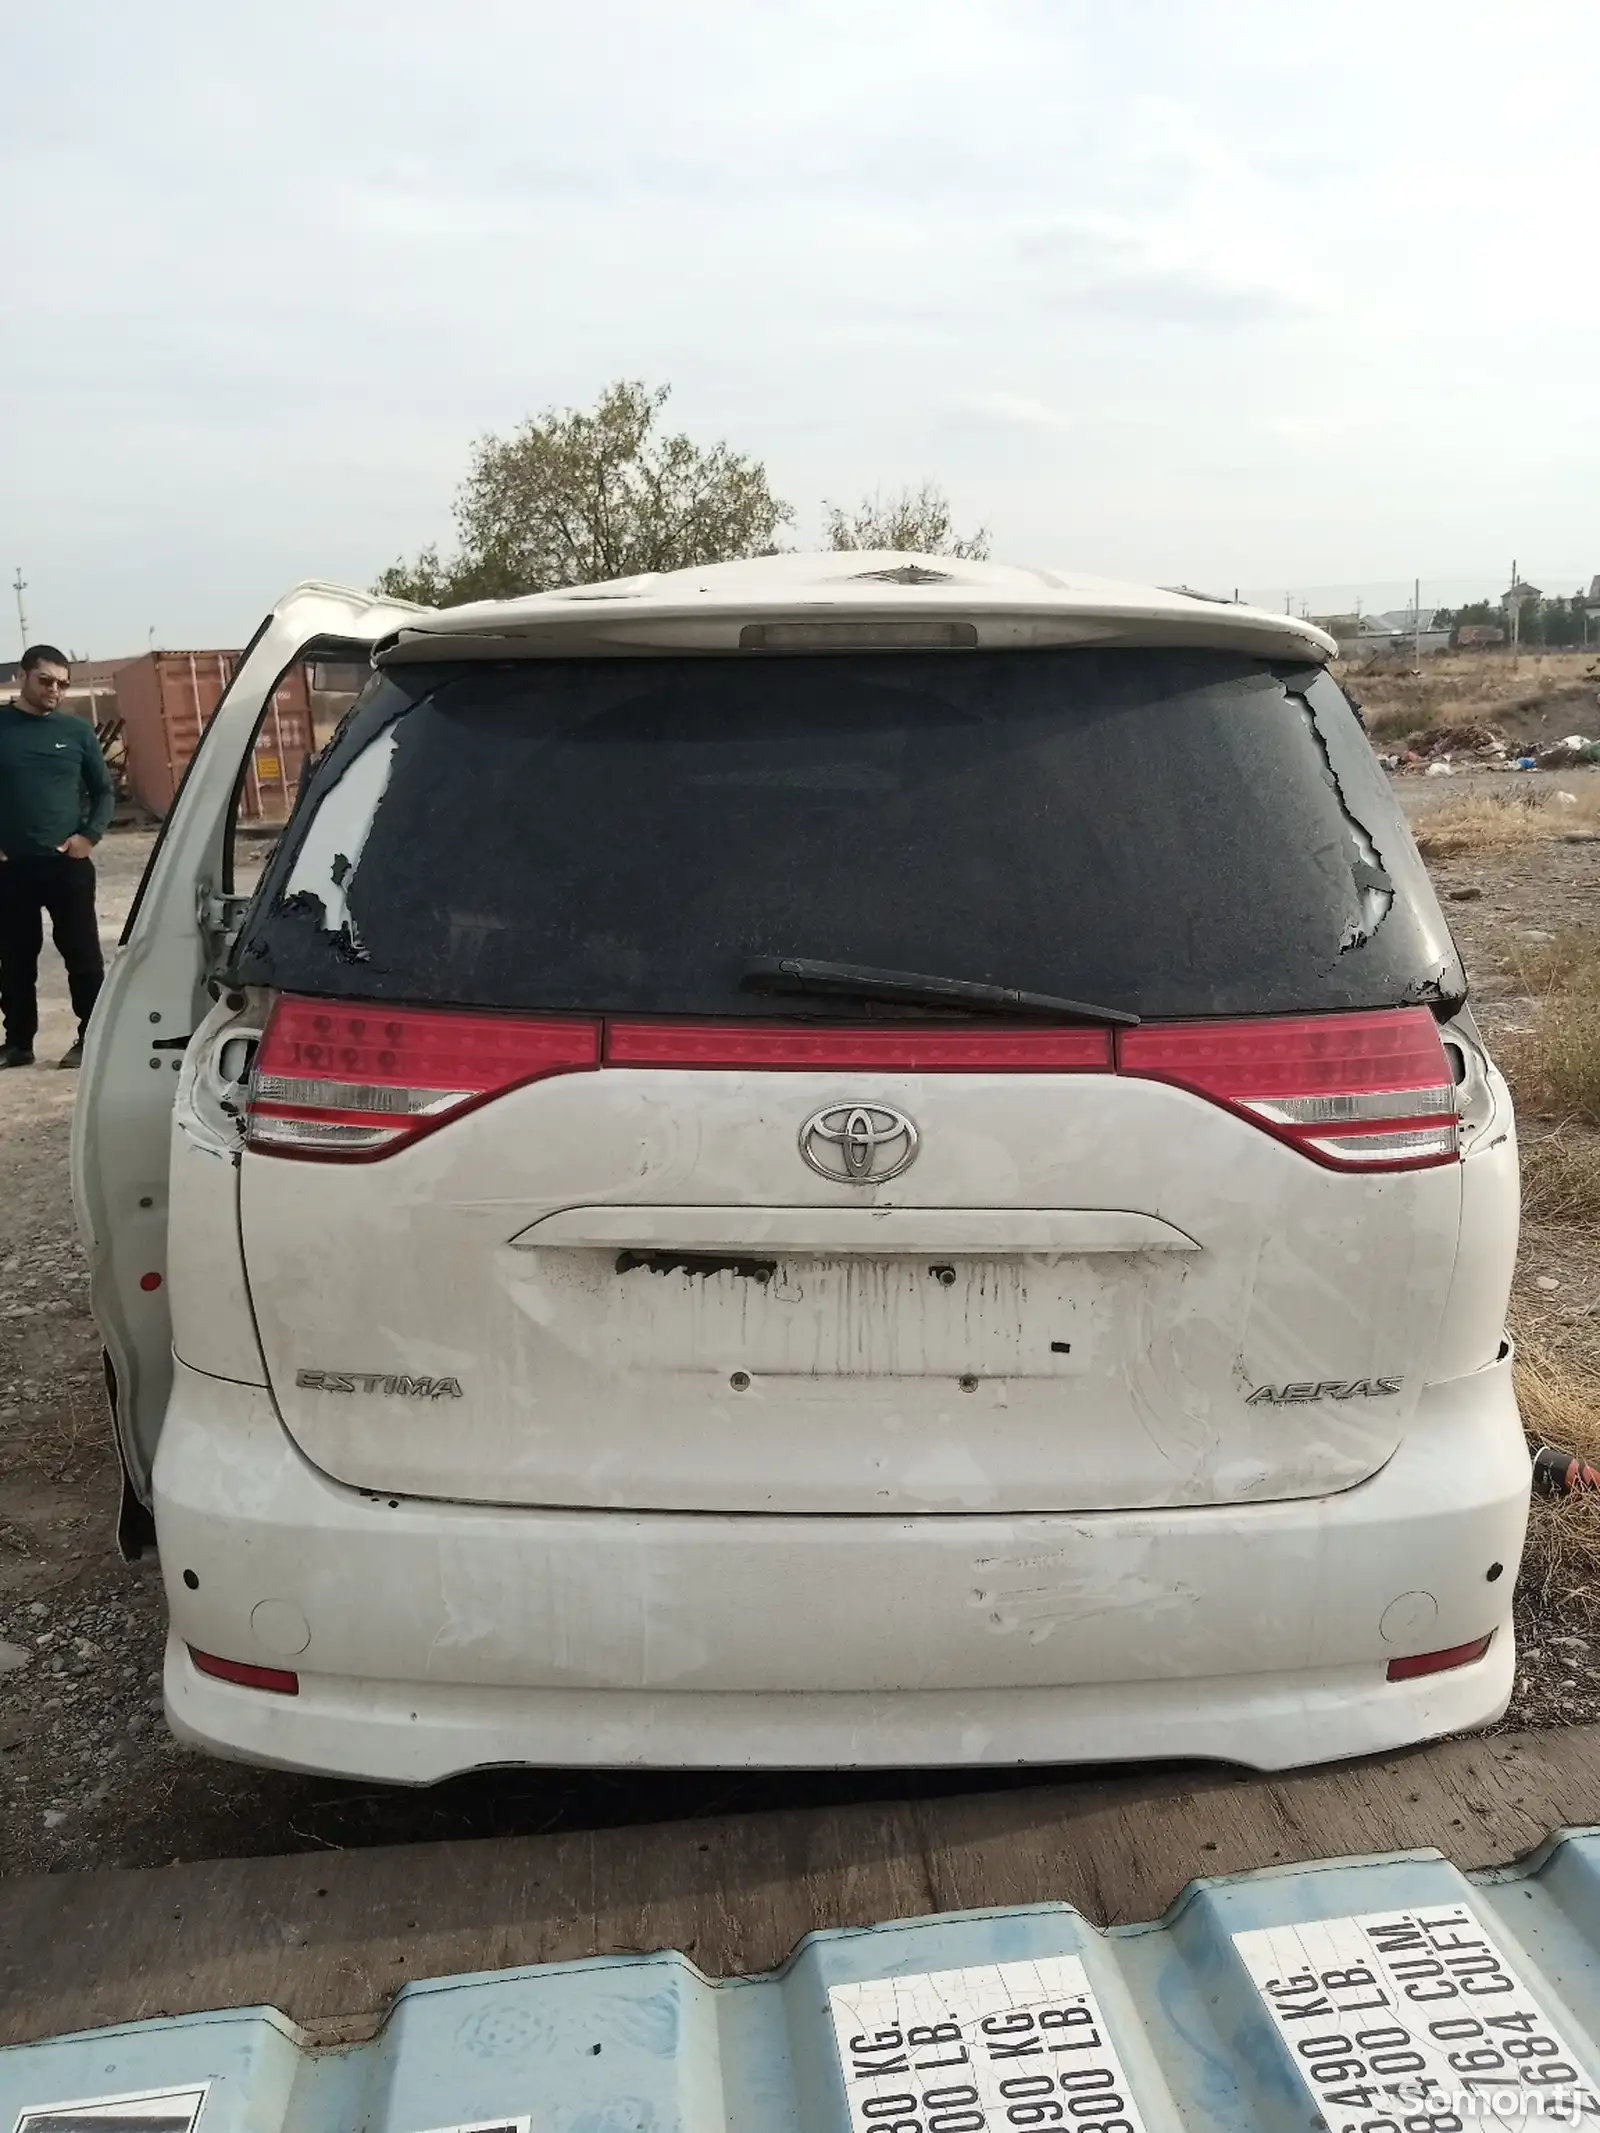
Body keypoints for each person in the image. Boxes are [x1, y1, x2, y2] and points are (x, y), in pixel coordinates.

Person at [0, 645, 115, 1069]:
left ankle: (91, 1039)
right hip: (10, 868)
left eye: (62, 684)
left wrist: (89, 835)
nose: (54, 691)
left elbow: (104, 791)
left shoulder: (77, 732)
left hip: (66, 865)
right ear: (23, 675)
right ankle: (18, 1044)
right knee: (14, 958)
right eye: (45, 680)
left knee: (82, 955)